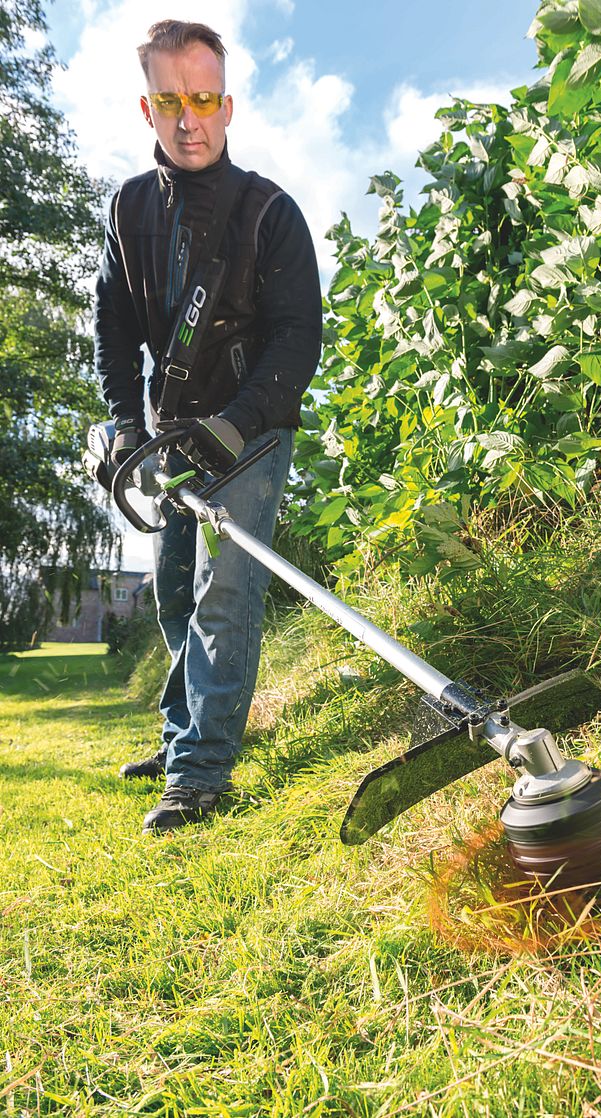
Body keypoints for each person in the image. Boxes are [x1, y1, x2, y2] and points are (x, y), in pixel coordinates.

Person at [94, 19, 322, 833]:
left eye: (202, 99)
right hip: (168, 435)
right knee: (171, 596)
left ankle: (199, 775)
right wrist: (125, 424)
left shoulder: (270, 215)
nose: (187, 119)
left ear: (226, 106)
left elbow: (300, 338)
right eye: (169, 100)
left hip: (251, 432)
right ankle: (180, 735)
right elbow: (114, 330)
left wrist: (237, 423)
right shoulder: (127, 210)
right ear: (146, 107)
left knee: (223, 596)